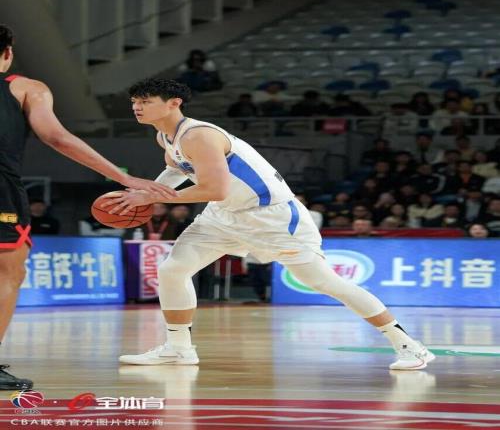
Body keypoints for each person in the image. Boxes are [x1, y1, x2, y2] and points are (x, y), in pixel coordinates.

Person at [105, 78, 434, 370]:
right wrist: (148, 192)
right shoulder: (166, 137)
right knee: (172, 270)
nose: (137, 107)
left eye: (145, 101)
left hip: (271, 217)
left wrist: (153, 198)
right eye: (134, 102)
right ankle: (179, 349)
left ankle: (408, 345)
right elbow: (177, 169)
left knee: (327, 283)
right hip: (222, 216)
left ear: (173, 103)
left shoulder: (199, 135)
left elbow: (214, 188)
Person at [0, 25, 175, 390]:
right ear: (7, 53)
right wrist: (123, 176)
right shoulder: (25, 88)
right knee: (6, 274)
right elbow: (57, 137)